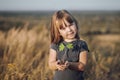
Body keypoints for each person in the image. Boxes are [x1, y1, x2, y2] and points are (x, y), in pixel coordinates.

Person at [48, 10, 89, 80]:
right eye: (63, 28)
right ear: (58, 32)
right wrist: (56, 65)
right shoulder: (55, 44)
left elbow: (82, 66)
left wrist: (69, 65)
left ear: (75, 23)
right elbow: (51, 65)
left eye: (70, 25)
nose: (69, 29)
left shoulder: (81, 44)